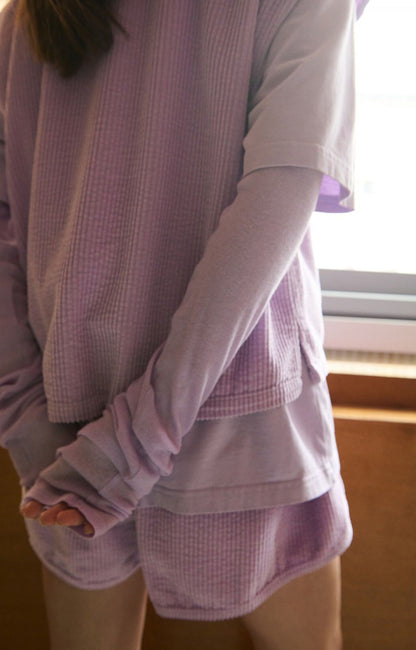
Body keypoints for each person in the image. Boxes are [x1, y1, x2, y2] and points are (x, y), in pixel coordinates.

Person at [0, 0, 369, 648]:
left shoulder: (24, 19)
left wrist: (30, 418)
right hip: (214, 425)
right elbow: (282, 188)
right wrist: (50, 427)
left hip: (77, 422)